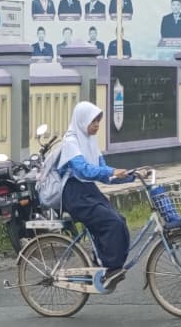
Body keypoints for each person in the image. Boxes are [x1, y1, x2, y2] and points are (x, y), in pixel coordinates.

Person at [54, 101, 134, 290]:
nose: (96, 125)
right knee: (110, 222)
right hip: (73, 194)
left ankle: (111, 267)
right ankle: (107, 267)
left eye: (98, 121)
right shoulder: (71, 142)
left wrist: (131, 175)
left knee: (120, 220)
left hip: (89, 190)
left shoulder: (90, 142)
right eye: (93, 121)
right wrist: (113, 171)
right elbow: (84, 170)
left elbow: (102, 171)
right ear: (82, 121)